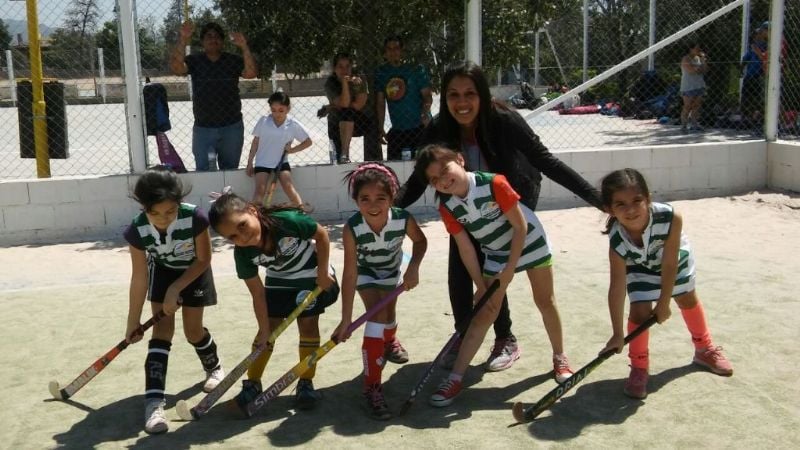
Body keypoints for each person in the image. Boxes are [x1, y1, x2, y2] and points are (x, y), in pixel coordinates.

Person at [395, 61, 603, 375]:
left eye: (469, 93)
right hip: (464, 204)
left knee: (494, 270)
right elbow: (419, 180)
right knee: (461, 271)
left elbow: (545, 161)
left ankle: (505, 338)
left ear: (481, 94)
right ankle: (464, 334)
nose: (462, 103)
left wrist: (597, 199)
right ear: (445, 98)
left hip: (511, 197)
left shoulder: (505, 121)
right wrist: (389, 209)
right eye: (453, 95)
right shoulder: (438, 130)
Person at [413, 145, 566, 407]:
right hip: (494, 251)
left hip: (530, 243)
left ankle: (560, 358)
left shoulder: (494, 183)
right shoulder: (446, 205)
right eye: (434, 179)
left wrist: (508, 271)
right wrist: (481, 285)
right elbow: (465, 247)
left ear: (460, 160)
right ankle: (456, 377)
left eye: (445, 170)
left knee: (545, 301)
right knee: (485, 312)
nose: (442, 180)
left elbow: (520, 227)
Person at [599, 168, 733, 400]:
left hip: (672, 260)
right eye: (620, 204)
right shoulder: (617, 238)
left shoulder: (670, 217)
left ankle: (704, 349)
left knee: (686, 297)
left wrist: (663, 303)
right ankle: (639, 368)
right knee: (640, 311)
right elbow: (617, 287)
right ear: (609, 209)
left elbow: (670, 263)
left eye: (637, 200)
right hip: (640, 265)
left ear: (648, 198)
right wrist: (617, 333)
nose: (630, 209)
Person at [208, 190, 339, 412]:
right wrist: (263, 328)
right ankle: (253, 383)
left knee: (308, 326)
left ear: (252, 211)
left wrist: (324, 271)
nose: (242, 236)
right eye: (233, 237)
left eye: (242, 225)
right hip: (279, 279)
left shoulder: (287, 221)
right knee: (267, 332)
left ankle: (305, 381)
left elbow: (322, 235)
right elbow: (258, 294)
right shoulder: (242, 254)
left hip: (311, 272)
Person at [123, 165, 225, 434]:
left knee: (193, 331)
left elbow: (204, 259)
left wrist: (176, 289)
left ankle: (214, 367)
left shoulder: (195, 218)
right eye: (154, 213)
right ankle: (154, 403)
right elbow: (139, 277)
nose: (163, 219)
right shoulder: (137, 230)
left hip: (195, 271)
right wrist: (133, 321)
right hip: (163, 272)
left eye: (169, 211)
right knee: (162, 331)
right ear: (143, 207)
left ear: (179, 203)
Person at [333, 163, 427, 420]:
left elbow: (420, 241)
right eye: (365, 199)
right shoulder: (352, 228)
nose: (373, 205)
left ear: (392, 198)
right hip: (366, 274)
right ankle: (371, 386)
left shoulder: (402, 219)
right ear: (355, 200)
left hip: (391, 272)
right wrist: (346, 319)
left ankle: (389, 342)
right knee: (377, 318)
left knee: (389, 314)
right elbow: (350, 273)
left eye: (380, 198)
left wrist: (413, 268)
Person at [169, 21, 258, 171]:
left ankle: (227, 196)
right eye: (208, 36)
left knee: (229, 171)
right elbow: (177, 68)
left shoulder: (232, 60)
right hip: (203, 128)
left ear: (222, 41)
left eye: (217, 36)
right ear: (202, 41)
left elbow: (251, 73)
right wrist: (183, 39)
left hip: (231, 127)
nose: (213, 39)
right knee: (204, 172)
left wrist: (244, 46)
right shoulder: (195, 60)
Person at [245, 92, 311, 207]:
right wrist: (249, 162)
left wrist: (292, 150)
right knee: (260, 191)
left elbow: (308, 142)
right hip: (262, 162)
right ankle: (257, 219)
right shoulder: (264, 121)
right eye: (273, 110)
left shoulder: (292, 124)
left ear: (288, 108)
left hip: (281, 162)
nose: (277, 114)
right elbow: (255, 142)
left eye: (281, 110)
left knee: (289, 187)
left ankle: (302, 215)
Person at [374, 36, 433, 161]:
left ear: (402, 50)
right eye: (389, 49)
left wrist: (425, 112)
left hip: (419, 126)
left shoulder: (416, 69)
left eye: (396, 48)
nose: (393, 52)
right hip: (397, 130)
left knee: (423, 164)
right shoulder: (382, 72)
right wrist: (380, 128)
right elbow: (380, 102)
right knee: (394, 166)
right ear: (385, 52)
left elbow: (427, 96)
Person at [321, 52, 382, 163]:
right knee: (344, 112)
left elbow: (359, 104)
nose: (344, 70)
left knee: (348, 112)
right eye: (340, 66)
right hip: (338, 121)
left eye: (347, 66)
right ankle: (341, 155)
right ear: (334, 69)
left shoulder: (359, 78)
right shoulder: (330, 83)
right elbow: (344, 104)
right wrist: (345, 83)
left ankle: (368, 160)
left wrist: (332, 106)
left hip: (362, 120)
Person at [740, 22, 769, 127]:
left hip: (759, 75)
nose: (758, 35)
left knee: (757, 98)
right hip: (750, 75)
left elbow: (764, 58)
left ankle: (755, 119)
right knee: (746, 97)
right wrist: (741, 69)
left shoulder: (765, 46)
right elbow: (745, 59)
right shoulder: (752, 47)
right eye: (757, 34)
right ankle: (744, 119)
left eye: (759, 33)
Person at [679, 43, 708, 133]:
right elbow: (691, 71)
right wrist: (699, 68)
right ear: (691, 49)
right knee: (687, 106)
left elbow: (705, 70)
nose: (699, 50)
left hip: (699, 85)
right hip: (688, 86)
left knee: (697, 106)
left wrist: (703, 61)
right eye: (697, 48)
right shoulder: (686, 59)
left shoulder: (698, 59)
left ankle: (694, 124)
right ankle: (684, 125)